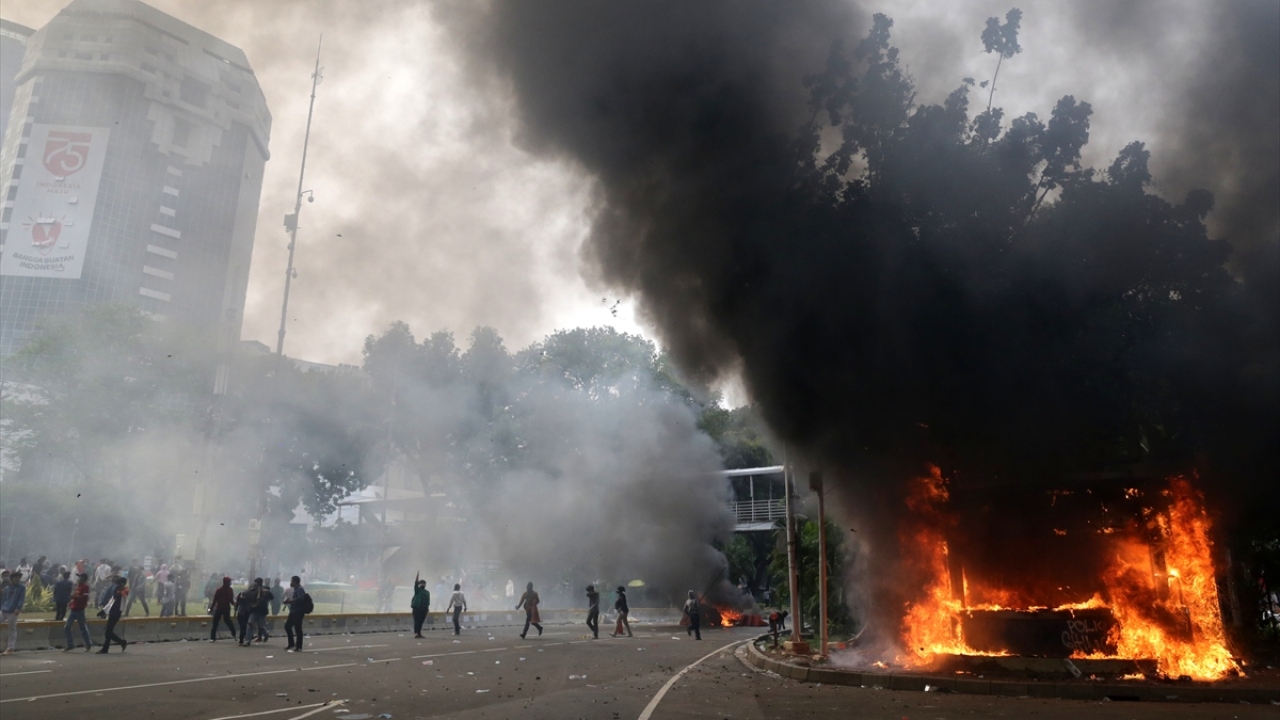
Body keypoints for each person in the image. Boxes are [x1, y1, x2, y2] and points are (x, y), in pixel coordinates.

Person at [97, 577, 129, 653]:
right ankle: (120, 642)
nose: (117, 585)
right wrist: (104, 610)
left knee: (108, 631)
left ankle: (108, 648)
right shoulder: (117, 589)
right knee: (108, 631)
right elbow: (112, 601)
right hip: (112, 611)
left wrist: (119, 590)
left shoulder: (124, 590)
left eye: (118, 584)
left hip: (117, 612)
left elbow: (122, 595)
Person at [64, 572, 93, 652]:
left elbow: (84, 598)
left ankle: (88, 643)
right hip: (74, 609)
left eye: (80, 577)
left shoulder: (85, 587)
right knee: (67, 627)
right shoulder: (78, 587)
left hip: (79, 610)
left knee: (83, 628)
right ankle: (70, 644)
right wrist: (71, 601)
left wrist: (73, 597)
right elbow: (76, 597)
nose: (78, 578)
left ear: (83, 578)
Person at [1, 571, 26, 655]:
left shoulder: (21, 587)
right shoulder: (8, 588)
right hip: (4, 609)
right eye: (16, 578)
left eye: (19, 578)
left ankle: (10, 648)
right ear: (12, 578)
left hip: (13, 611)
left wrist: (18, 608)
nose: (17, 579)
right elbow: (4, 599)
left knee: (12, 629)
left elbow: (21, 599)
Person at [209, 576, 236, 642]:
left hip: (224, 608)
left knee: (225, 622)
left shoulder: (228, 590)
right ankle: (213, 637)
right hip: (221, 608)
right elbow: (215, 600)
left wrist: (235, 605)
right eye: (229, 582)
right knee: (216, 623)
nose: (230, 583)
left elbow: (231, 600)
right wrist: (211, 608)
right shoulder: (221, 590)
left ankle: (234, 634)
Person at [283, 575, 306, 652]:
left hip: (298, 611)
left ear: (295, 581)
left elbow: (300, 599)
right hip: (293, 611)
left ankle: (299, 646)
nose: (291, 582)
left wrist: (290, 601)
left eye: (292, 581)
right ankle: (291, 643)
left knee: (298, 628)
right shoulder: (295, 589)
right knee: (287, 626)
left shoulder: (300, 589)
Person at [252, 578, 274, 642]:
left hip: (262, 608)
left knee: (260, 624)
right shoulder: (255, 589)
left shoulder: (265, 589)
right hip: (258, 608)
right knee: (259, 624)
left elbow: (271, 597)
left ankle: (264, 634)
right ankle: (261, 636)